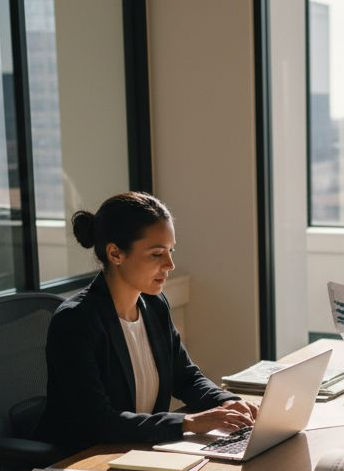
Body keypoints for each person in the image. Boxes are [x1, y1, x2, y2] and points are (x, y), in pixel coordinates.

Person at [34, 191, 258, 455]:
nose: (170, 264)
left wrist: (229, 402)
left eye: (171, 250)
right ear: (116, 254)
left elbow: (185, 377)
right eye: (156, 254)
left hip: (141, 451)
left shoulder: (154, 305)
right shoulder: (76, 321)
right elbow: (99, 422)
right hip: (87, 460)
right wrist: (189, 423)